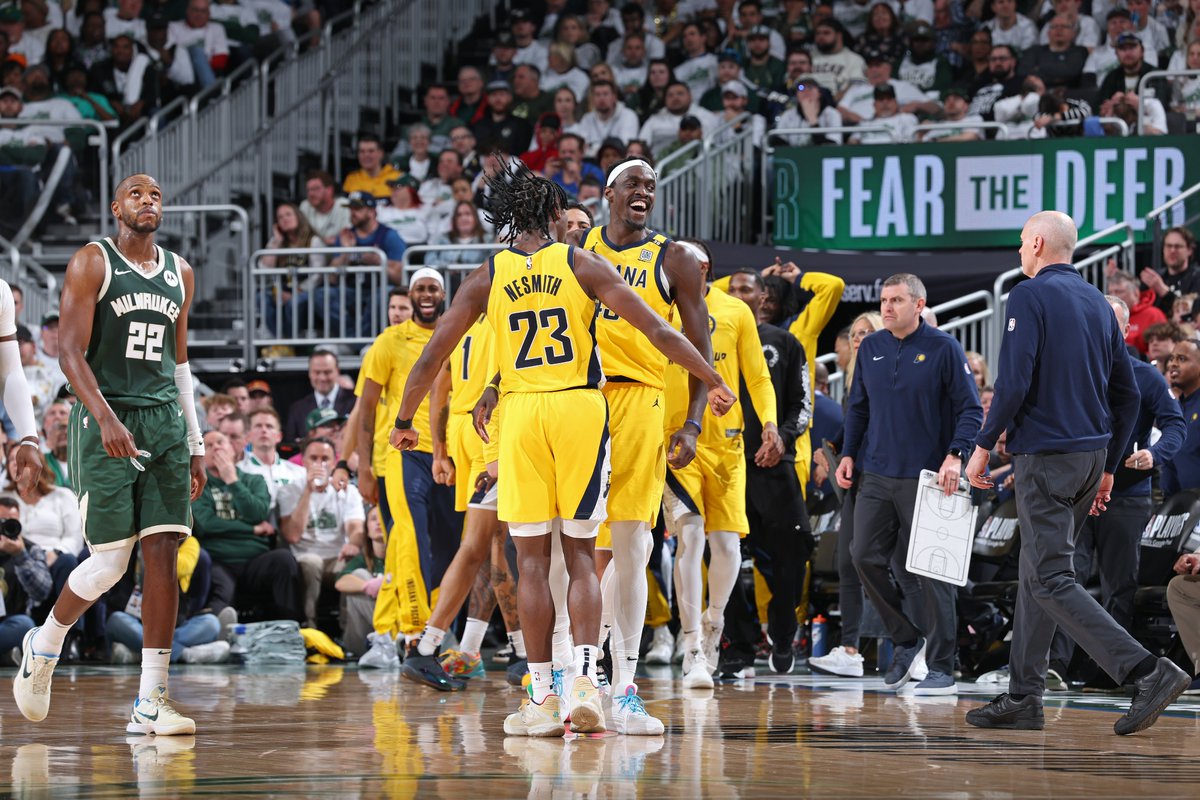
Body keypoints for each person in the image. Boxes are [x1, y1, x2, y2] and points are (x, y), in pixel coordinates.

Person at [389, 160, 734, 737]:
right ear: (553, 215)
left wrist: (404, 419)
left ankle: (547, 693)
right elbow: (663, 332)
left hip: (526, 415)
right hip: (580, 406)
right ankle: (585, 681)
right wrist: (714, 379)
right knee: (580, 554)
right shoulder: (580, 261)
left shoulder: (488, 274)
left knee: (534, 557)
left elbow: (431, 358)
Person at [965, 210, 1189, 735]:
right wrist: (1109, 467)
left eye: (1022, 243)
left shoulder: (1028, 294)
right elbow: (1127, 394)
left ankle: (1147, 671)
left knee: (1050, 576)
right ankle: (1024, 694)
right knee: (1036, 574)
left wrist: (980, 447)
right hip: (1090, 459)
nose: (1019, 252)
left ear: (1039, 243)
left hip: (1047, 456)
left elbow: (1014, 383)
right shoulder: (1097, 302)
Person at [13, 174, 205, 736]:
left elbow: (181, 367)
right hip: (105, 417)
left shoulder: (180, 273)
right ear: (116, 206)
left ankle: (151, 701)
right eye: (137, 193)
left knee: (163, 550)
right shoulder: (92, 261)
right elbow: (70, 352)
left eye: (157, 195)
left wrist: (194, 442)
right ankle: (44, 642)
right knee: (109, 562)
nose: (149, 201)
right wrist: (105, 417)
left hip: (164, 421)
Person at [577, 156, 716, 734]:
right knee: (576, 543)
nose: (645, 193)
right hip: (578, 401)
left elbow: (696, 337)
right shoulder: (576, 246)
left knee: (631, 543)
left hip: (641, 402)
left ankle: (624, 684)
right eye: (634, 184)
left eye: (652, 187)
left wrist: (694, 421)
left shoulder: (674, 257)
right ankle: (574, 673)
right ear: (609, 193)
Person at [836, 273, 983, 696]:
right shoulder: (873, 348)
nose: (887, 308)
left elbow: (970, 411)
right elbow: (858, 409)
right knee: (862, 555)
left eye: (896, 300)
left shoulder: (944, 348)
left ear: (918, 305)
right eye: (883, 300)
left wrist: (955, 454)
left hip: (930, 478)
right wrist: (848, 453)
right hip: (878, 474)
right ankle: (905, 638)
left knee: (934, 573)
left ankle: (941, 666)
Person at [1047, 294, 1185, 684]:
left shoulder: (1145, 375)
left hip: (1125, 494)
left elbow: (1175, 424)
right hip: (1074, 491)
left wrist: (1155, 455)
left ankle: (1115, 671)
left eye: (1111, 321)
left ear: (1126, 331)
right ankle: (1057, 665)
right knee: (1062, 577)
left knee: (1118, 584)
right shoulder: (1071, 368)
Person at [192, 429, 303, 626]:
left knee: (284, 560)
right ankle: (212, 635)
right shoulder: (197, 484)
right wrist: (252, 529)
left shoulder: (254, 480)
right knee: (223, 589)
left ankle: (289, 630)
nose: (216, 447)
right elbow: (206, 524)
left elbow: (258, 513)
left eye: (220, 442)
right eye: (208, 446)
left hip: (254, 560)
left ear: (233, 449)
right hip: (218, 559)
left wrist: (232, 481)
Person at [278, 435, 364, 629]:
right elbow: (292, 535)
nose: (319, 464)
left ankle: (349, 632)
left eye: (325, 459)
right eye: (313, 458)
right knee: (311, 562)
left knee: (354, 566)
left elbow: (356, 527)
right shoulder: (289, 491)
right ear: (303, 461)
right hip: (305, 557)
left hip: (337, 557)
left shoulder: (348, 491)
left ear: (334, 462)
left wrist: (354, 543)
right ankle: (309, 627)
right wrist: (308, 492)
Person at [0, 497, 52, 666]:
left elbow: (42, 591)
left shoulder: (30, 549)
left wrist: (20, 556)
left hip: (11, 622)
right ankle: (5, 656)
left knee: (25, 625)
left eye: (11, 522)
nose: (4, 527)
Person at [284, 350, 356, 444]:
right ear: (309, 373)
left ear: (337, 371)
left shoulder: (356, 401)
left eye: (327, 372)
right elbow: (290, 444)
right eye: (317, 372)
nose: (322, 378)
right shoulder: (297, 409)